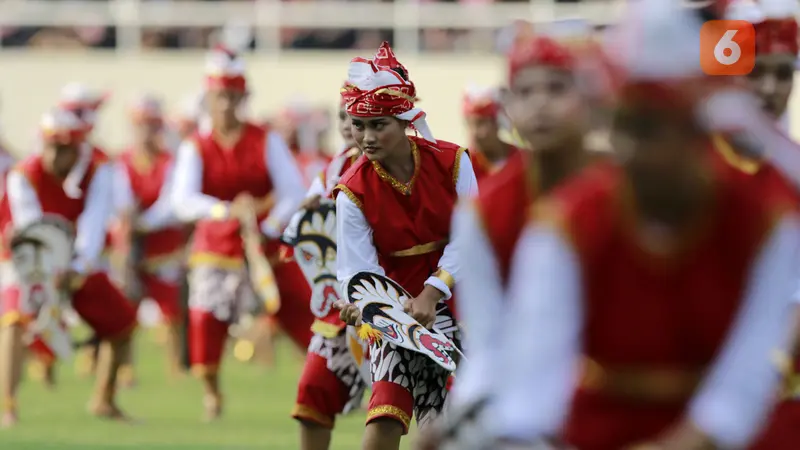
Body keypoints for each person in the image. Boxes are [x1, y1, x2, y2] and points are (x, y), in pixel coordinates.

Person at [486, 1, 800, 448]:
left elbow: (743, 385)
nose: (631, 151)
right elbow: (534, 387)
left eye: (652, 130)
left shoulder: (767, 224)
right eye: (623, 129)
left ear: (699, 131)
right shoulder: (566, 224)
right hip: (595, 432)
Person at [443, 27, 603, 444]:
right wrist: (465, 414)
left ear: (588, 98)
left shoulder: (628, 191)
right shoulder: (483, 213)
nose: (541, 105)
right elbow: (488, 344)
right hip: (527, 413)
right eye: (526, 92)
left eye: (556, 88)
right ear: (508, 106)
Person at [332, 41, 478, 450]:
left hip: (460, 299)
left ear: (404, 119)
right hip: (394, 313)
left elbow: (472, 239)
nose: (366, 136)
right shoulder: (352, 190)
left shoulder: (452, 161)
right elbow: (356, 270)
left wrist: (434, 291)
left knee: (453, 423)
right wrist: (366, 304)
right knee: (385, 415)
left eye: (379, 124)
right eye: (358, 126)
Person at [170, 45, 313, 421]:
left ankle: (332, 384)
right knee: (204, 320)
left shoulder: (266, 139)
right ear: (209, 98)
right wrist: (226, 211)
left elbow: (292, 192)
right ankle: (212, 393)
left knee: (304, 311)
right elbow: (183, 200)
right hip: (215, 247)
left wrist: (264, 225)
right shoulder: (195, 146)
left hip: (264, 246)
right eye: (221, 96)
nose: (227, 104)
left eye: (234, 97)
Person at [0, 108, 138, 427]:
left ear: (76, 149)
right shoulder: (24, 175)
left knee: (123, 325)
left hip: (78, 261)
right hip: (29, 261)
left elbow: (94, 222)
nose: (52, 155)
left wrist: (77, 267)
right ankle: (8, 406)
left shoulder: (99, 171)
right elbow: (32, 227)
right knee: (12, 321)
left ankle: (104, 399)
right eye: (48, 146)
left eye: (61, 148)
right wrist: (51, 269)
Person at [290, 86, 366, 450]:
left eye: (358, 115)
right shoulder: (332, 169)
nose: (349, 125)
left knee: (400, 408)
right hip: (339, 311)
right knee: (313, 393)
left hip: (396, 306)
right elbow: (297, 231)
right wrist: (303, 217)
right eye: (342, 116)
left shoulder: (406, 167)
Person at [110, 94, 186, 381]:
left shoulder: (170, 162)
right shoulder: (120, 162)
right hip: (128, 248)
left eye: (151, 125)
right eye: (140, 125)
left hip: (162, 249)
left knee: (170, 312)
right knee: (125, 310)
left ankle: (175, 368)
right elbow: (117, 200)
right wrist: (127, 220)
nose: (145, 132)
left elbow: (171, 204)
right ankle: (125, 369)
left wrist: (141, 222)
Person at [460, 84, 516, 183]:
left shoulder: (520, 160)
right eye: (469, 125)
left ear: (497, 123)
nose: (474, 132)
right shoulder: (465, 166)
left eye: (480, 123)